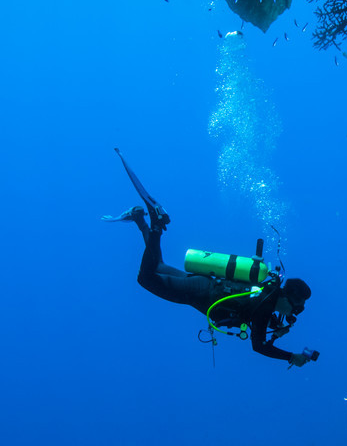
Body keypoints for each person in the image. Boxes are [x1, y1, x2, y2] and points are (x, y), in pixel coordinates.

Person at [102, 149, 318, 368]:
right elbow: (259, 345)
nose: (292, 314)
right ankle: (156, 224)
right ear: (289, 298)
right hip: (201, 292)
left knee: (157, 266)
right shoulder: (267, 303)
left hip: (205, 284)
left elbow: (257, 311)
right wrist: (291, 356)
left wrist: (275, 325)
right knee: (145, 279)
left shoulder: (268, 293)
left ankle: (140, 219)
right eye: (296, 308)